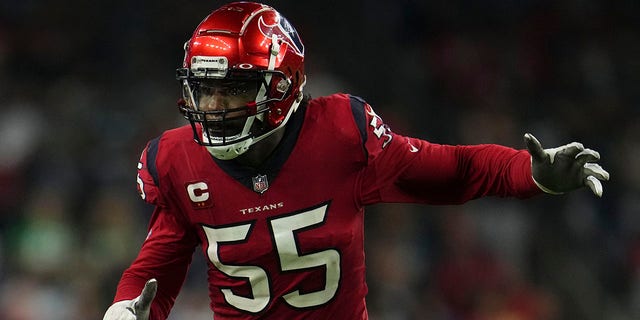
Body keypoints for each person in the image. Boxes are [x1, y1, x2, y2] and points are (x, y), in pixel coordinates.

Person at [102, 2, 609, 320]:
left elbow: (450, 170)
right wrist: (126, 309)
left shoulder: (341, 134)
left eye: (231, 90)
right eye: (205, 91)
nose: (212, 108)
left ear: (282, 87)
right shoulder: (175, 158)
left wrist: (530, 173)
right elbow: (157, 271)